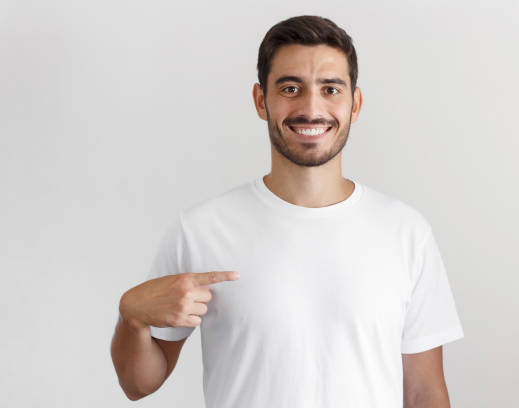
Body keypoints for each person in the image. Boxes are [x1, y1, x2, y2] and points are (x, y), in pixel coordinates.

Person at [110, 14, 465, 408]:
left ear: (355, 103)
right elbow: (137, 384)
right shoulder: (201, 230)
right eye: (291, 88)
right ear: (262, 101)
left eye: (330, 89)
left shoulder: (406, 233)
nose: (311, 108)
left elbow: (424, 393)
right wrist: (132, 318)